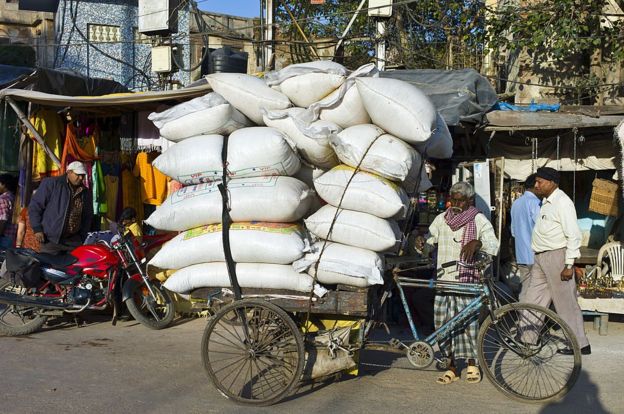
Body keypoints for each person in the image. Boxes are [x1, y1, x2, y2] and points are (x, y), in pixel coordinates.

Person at [415, 181, 499, 385]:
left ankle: (472, 364)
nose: (455, 203)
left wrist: (477, 242)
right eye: (453, 198)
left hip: (467, 281)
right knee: (444, 324)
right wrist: (421, 243)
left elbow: (493, 245)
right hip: (444, 280)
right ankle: (451, 366)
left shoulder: (479, 220)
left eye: (460, 199)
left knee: (468, 325)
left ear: (470, 201)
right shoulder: (441, 219)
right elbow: (428, 241)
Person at [523, 167, 591, 355]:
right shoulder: (545, 202)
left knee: (565, 302)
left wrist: (569, 264)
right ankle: (527, 340)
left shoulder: (562, 202)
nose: (536, 185)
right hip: (540, 257)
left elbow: (574, 235)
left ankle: (579, 344)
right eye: (536, 182)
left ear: (552, 183)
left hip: (557, 257)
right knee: (533, 299)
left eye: (540, 182)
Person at [29, 161, 93, 254]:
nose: (80, 178)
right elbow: (35, 207)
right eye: (78, 174)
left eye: (82, 175)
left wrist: (83, 236)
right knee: (48, 267)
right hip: (51, 240)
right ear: (69, 172)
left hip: (74, 242)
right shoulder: (52, 183)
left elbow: (87, 216)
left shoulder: (85, 192)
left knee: (74, 267)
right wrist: (37, 228)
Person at [510, 173, 540, 300]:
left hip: (521, 253)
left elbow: (513, 231)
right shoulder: (536, 203)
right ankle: (532, 318)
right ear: (536, 185)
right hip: (535, 254)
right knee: (537, 291)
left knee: (525, 288)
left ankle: (523, 317)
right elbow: (542, 228)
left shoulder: (516, 203)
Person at [0, 174, 18, 249]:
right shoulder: (14, 197)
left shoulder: (3, 199)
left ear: (3, 185)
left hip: (4, 237)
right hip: (12, 236)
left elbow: (2, 221)